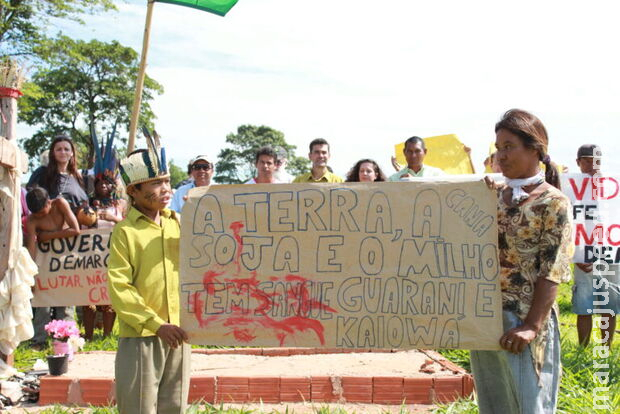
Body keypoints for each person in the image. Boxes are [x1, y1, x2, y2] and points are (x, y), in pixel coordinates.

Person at [471, 109, 572, 414]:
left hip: (525, 319)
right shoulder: (490, 196)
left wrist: (531, 325)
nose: (501, 155)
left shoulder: (553, 202)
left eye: (509, 146)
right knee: (494, 403)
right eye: (498, 148)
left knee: (531, 404)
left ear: (535, 150)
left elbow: (551, 269)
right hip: (486, 318)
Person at [108, 145, 189, 414]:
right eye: (155, 183)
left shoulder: (178, 222)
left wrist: (202, 214)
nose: (165, 188)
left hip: (179, 333)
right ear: (133, 192)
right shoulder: (125, 232)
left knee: (174, 406)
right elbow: (120, 287)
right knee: (138, 408)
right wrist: (156, 324)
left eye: (166, 181)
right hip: (141, 335)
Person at [571, 144, 618, 347]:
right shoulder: (570, 188)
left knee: (609, 306)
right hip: (583, 256)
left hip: (611, 255)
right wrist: (575, 254)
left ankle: (605, 349)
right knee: (584, 306)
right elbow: (568, 223)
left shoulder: (612, 186)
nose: (593, 165)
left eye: (596, 160)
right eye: (587, 160)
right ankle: (583, 348)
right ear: (578, 162)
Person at [24, 187, 81, 350]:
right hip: (45, 262)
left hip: (66, 259)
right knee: (41, 301)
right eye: (37, 214)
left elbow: (75, 229)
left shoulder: (60, 204)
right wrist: (31, 275)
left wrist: (46, 236)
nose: (40, 216)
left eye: (42, 213)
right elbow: (31, 247)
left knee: (66, 300)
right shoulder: (32, 220)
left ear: (49, 202)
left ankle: (69, 339)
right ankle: (39, 340)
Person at [82, 175, 125, 341]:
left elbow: (126, 224)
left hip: (112, 253)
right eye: (100, 183)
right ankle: (89, 335)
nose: (104, 186)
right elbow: (82, 226)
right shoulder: (89, 204)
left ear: (113, 185)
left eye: (107, 182)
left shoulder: (119, 204)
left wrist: (112, 218)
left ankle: (107, 336)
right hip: (92, 255)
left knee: (108, 297)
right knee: (88, 297)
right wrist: (92, 220)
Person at [27, 135, 88, 213]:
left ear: (71, 153)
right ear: (53, 153)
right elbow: (32, 196)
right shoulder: (42, 173)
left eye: (66, 149)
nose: (63, 152)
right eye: (59, 149)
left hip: (77, 223)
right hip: (50, 223)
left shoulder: (78, 176)